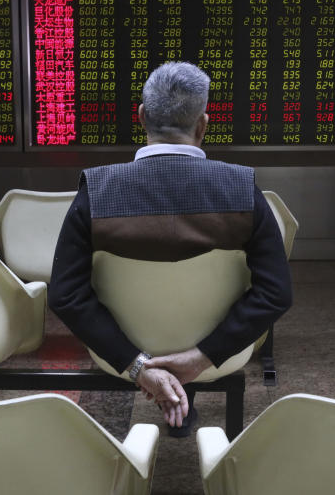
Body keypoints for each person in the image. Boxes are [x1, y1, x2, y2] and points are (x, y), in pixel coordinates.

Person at [49, 61, 292, 436]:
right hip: (218, 358)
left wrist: (138, 366)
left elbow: (66, 295)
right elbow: (276, 293)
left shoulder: (95, 193)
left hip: (120, 352)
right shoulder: (244, 190)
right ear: (202, 125)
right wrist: (200, 358)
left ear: (142, 116)